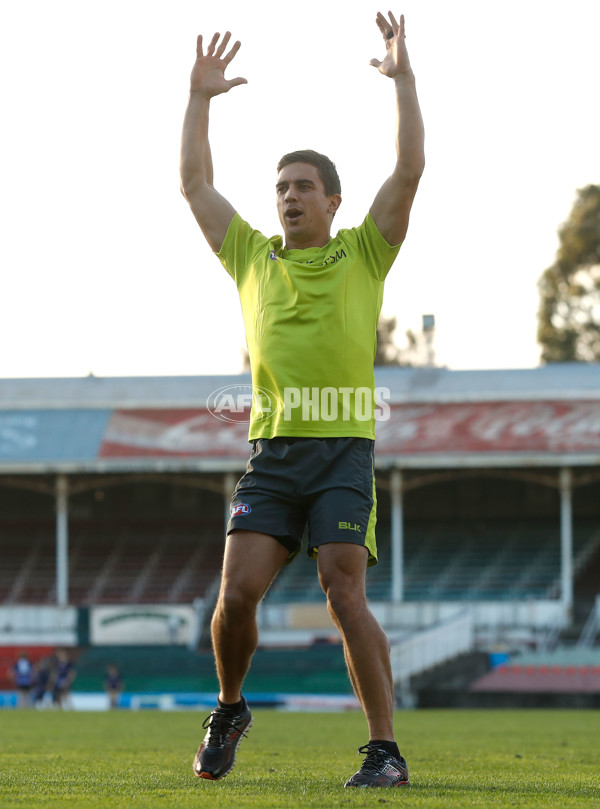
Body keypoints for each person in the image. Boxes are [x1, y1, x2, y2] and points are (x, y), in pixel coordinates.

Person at [180, 10, 424, 789]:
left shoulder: (364, 252)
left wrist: (405, 80)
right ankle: (229, 706)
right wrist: (200, 100)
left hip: (344, 450)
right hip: (274, 454)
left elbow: (410, 171)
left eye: (302, 187)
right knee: (236, 594)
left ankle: (383, 749)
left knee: (342, 586)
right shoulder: (251, 255)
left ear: (333, 201)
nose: (288, 196)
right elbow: (194, 183)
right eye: (281, 186)